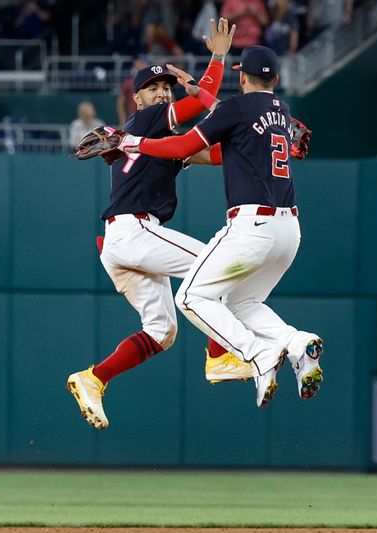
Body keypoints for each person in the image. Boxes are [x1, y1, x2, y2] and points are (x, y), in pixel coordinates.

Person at [66, 18, 247, 430]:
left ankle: (93, 378)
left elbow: (212, 154)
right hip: (135, 231)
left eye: (165, 86)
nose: (163, 91)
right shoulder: (145, 120)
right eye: (154, 87)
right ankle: (219, 355)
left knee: (162, 330)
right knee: (215, 265)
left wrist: (262, 146)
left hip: (123, 244)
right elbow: (203, 101)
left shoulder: (155, 141)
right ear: (138, 97)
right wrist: (218, 58)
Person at [120, 46, 325, 408]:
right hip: (289, 231)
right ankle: (298, 345)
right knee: (240, 302)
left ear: (241, 77)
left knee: (190, 298)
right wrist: (196, 88)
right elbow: (228, 117)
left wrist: (132, 142)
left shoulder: (235, 109)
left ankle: (259, 354)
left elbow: (188, 141)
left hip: (252, 227)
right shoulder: (282, 111)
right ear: (275, 80)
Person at [117, 57, 149, 127]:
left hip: (150, 119)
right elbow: (121, 103)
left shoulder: (153, 81)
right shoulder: (128, 82)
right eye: (141, 62)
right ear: (135, 63)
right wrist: (123, 121)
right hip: (133, 120)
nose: (144, 65)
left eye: (145, 63)